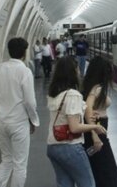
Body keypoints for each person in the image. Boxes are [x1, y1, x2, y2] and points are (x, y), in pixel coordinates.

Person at [0, 37, 39, 187]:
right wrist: (33, 120)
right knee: (20, 164)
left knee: (6, 160)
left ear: (9, 51)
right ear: (24, 53)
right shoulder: (25, 72)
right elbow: (30, 101)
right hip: (19, 122)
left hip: (1, 121)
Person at [47, 56, 107, 187]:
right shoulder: (73, 94)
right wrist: (94, 127)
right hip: (70, 147)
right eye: (77, 69)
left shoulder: (53, 94)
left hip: (53, 146)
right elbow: (74, 127)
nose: (79, 72)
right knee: (88, 184)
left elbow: (68, 114)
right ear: (72, 72)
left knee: (65, 184)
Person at [82, 56, 117, 187]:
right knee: (109, 171)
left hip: (96, 127)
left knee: (99, 170)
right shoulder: (97, 88)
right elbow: (88, 108)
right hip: (97, 130)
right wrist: (95, 135)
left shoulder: (90, 87)